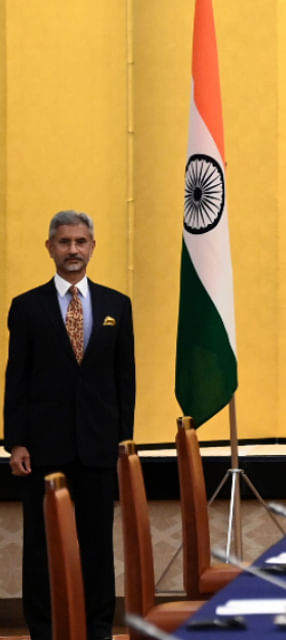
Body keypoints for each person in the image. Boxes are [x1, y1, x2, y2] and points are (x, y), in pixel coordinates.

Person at [4, 211, 135, 640]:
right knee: (41, 547)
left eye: (81, 241)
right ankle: (43, 630)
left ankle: (98, 629)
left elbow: (124, 380)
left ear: (93, 246)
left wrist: (123, 441)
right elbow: (16, 378)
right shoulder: (26, 307)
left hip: (99, 448)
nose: (73, 250)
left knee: (98, 546)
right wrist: (16, 442)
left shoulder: (118, 305)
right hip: (43, 450)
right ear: (50, 248)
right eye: (64, 242)